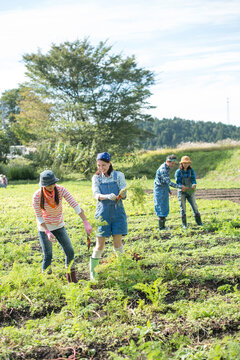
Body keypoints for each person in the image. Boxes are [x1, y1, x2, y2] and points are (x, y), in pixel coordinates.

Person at [33, 169, 92, 283]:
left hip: (58, 225)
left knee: (70, 251)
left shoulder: (60, 190)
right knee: (48, 255)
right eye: (48, 185)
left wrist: (85, 221)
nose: (51, 186)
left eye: (53, 183)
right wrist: (47, 232)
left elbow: (74, 204)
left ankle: (71, 277)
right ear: (43, 185)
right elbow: (39, 217)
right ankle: (47, 280)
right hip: (44, 227)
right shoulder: (37, 196)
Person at [90, 152, 127, 280]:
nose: (101, 168)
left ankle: (122, 271)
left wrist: (122, 194)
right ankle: (93, 274)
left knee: (117, 244)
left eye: (104, 165)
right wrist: (106, 196)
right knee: (100, 245)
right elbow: (96, 194)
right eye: (99, 165)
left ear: (109, 164)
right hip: (103, 213)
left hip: (118, 212)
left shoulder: (119, 176)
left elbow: (124, 193)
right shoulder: (96, 178)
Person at [154, 154, 187, 230]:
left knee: (164, 206)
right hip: (160, 189)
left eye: (174, 163)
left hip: (164, 188)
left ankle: (162, 226)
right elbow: (168, 182)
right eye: (172, 163)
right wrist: (180, 187)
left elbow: (165, 181)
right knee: (161, 206)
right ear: (167, 161)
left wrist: (168, 190)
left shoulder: (167, 167)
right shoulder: (163, 169)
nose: (173, 165)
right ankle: (161, 227)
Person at [175, 156, 202, 228]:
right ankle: (184, 225)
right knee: (183, 208)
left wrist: (194, 184)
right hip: (182, 192)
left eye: (187, 163)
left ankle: (199, 223)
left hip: (190, 191)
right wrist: (181, 186)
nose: (186, 165)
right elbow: (178, 182)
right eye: (184, 163)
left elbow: (193, 179)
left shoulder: (191, 171)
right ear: (182, 163)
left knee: (195, 207)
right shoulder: (178, 172)